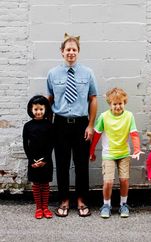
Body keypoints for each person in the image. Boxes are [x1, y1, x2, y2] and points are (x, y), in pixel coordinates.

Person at [47, 33, 98, 217]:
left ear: (78, 52)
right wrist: (47, 124)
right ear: (62, 52)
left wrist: (90, 125)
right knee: (61, 164)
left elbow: (93, 99)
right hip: (60, 124)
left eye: (74, 50)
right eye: (67, 49)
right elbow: (49, 99)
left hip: (81, 124)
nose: (71, 52)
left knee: (81, 164)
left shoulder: (88, 73)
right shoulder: (52, 74)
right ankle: (64, 201)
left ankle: (82, 201)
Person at [89, 88, 143, 218]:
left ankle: (123, 205)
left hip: (124, 153)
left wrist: (137, 149)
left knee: (124, 180)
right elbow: (96, 135)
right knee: (108, 182)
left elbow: (134, 134)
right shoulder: (104, 117)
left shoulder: (129, 116)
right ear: (110, 104)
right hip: (109, 154)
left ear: (124, 103)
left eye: (120, 103)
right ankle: (106, 205)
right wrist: (91, 151)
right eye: (115, 104)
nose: (118, 106)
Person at [22, 95, 54, 219]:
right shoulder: (27, 126)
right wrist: (31, 160)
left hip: (46, 160)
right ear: (31, 110)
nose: (38, 112)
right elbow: (25, 144)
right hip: (33, 160)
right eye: (36, 109)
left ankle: (45, 207)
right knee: (36, 184)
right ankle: (38, 208)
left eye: (41, 109)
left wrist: (45, 159)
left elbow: (51, 144)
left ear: (45, 109)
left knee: (45, 184)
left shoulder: (49, 125)